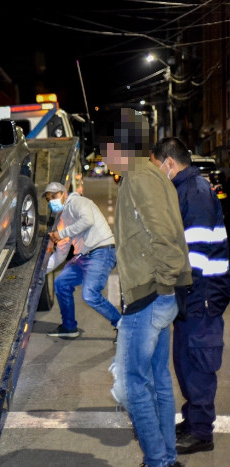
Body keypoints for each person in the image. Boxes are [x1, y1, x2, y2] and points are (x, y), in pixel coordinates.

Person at [102, 108, 192, 467]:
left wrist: (163, 283)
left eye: (105, 147)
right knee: (158, 380)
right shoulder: (153, 176)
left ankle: (157, 461)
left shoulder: (138, 178)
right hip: (160, 295)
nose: (103, 155)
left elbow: (166, 236)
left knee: (132, 385)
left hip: (149, 296)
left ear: (117, 145)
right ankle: (166, 458)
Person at [149, 137, 230, 455]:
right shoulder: (181, 190)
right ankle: (194, 420)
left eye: (157, 166)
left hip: (202, 290)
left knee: (198, 359)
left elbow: (194, 253)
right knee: (184, 358)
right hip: (191, 291)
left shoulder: (194, 192)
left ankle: (201, 433)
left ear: (169, 163)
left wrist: (176, 289)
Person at [42, 181, 120, 341]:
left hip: (101, 250)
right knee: (61, 283)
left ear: (64, 193)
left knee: (90, 294)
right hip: (83, 256)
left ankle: (123, 326)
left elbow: (88, 220)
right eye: (49, 199)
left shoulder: (77, 202)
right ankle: (69, 327)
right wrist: (41, 272)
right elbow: (60, 254)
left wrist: (62, 233)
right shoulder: (63, 218)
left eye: (54, 196)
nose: (52, 202)